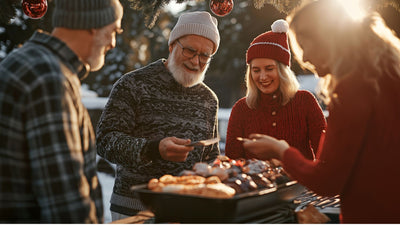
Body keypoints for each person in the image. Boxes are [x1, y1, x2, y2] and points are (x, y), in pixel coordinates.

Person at [242, 0, 400, 223]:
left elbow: (327, 181)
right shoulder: (388, 78)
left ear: (328, 38)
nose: (304, 59)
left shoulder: (352, 89)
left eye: (305, 46)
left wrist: (281, 151)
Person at [0, 0, 123, 223]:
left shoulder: (33, 63)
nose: (113, 43)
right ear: (94, 24)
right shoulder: (49, 77)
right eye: (114, 30)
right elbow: (66, 206)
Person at [96, 11, 221, 221]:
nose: (195, 61)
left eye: (204, 55)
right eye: (190, 50)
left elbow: (211, 156)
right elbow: (105, 141)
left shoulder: (209, 99)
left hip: (187, 212)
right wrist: (153, 149)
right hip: (134, 210)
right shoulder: (133, 84)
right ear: (172, 46)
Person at [225, 19, 326, 160]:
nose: (262, 77)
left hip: (298, 181)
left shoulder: (305, 101)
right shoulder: (241, 109)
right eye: (256, 70)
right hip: (254, 181)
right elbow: (232, 160)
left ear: (283, 71)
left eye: (269, 68)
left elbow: (324, 154)